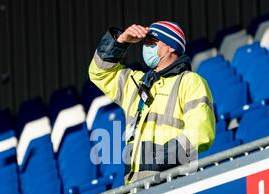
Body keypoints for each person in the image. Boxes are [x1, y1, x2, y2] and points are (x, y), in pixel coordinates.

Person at [89, 21, 215, 184]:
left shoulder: (190, 81)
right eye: (145, 40)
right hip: (134, 186)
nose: (145, 45)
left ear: (171, 46)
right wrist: (121, 41)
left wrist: (158, 162)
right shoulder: (136, 83)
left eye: (152, 41)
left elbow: (200, 132)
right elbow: (99, 73)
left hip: (171, 181)